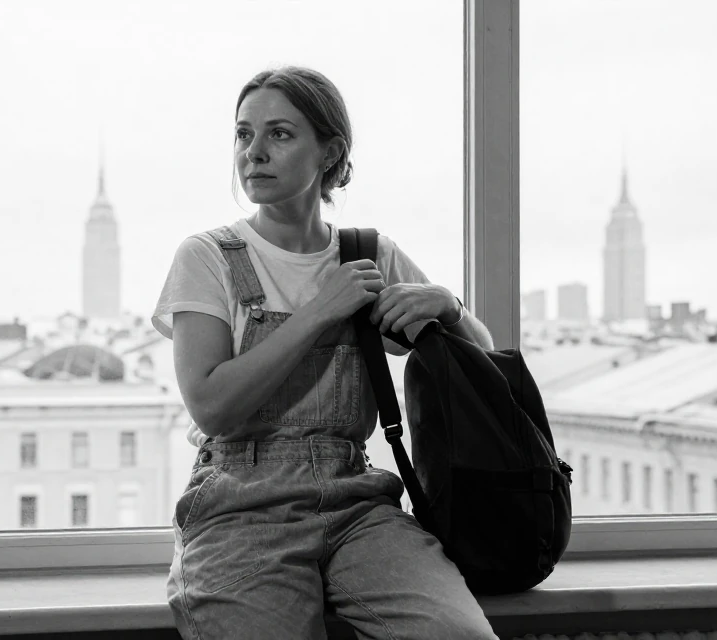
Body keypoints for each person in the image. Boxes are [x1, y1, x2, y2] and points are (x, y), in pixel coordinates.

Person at [151, 66, 499, 640]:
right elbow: (211, 407)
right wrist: (321, 311)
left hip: (357, 501)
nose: (253, 153)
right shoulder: (207, 256)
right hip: (240, 507)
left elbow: (481, 373)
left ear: (330, 151)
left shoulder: (368, 254)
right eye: (243, 135)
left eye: (279, 134)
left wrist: (450, 309)